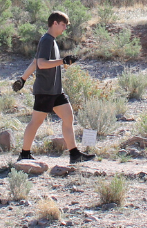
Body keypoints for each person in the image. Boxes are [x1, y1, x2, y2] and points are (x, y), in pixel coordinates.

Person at [17, 11, 95, 164]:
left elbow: (34, 62)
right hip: (45, 90)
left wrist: (22, 79)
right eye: (63, 25)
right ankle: (24, 154)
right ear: (55, 23)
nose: (65, 28)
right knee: (36, 122)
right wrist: (63, 61)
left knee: (68, 117)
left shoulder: (50, 40)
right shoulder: (46, 40)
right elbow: (41, 63)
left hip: (56, 90)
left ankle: (74, 154)